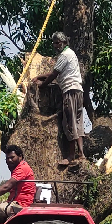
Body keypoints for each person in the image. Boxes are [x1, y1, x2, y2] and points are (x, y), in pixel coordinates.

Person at [31, 31, 85, 166]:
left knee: (70, 122)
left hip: (69, 91)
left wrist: (42, 84)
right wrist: (40, 76)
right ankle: (81, 154)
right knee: (77, 122)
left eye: (58, 43)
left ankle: (71, 156)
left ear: (64, 42)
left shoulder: (64, 55)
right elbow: (55, 71)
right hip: (78, 90)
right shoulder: (70, 54)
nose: (55, 45)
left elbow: (54, 74)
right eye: (54, 43)